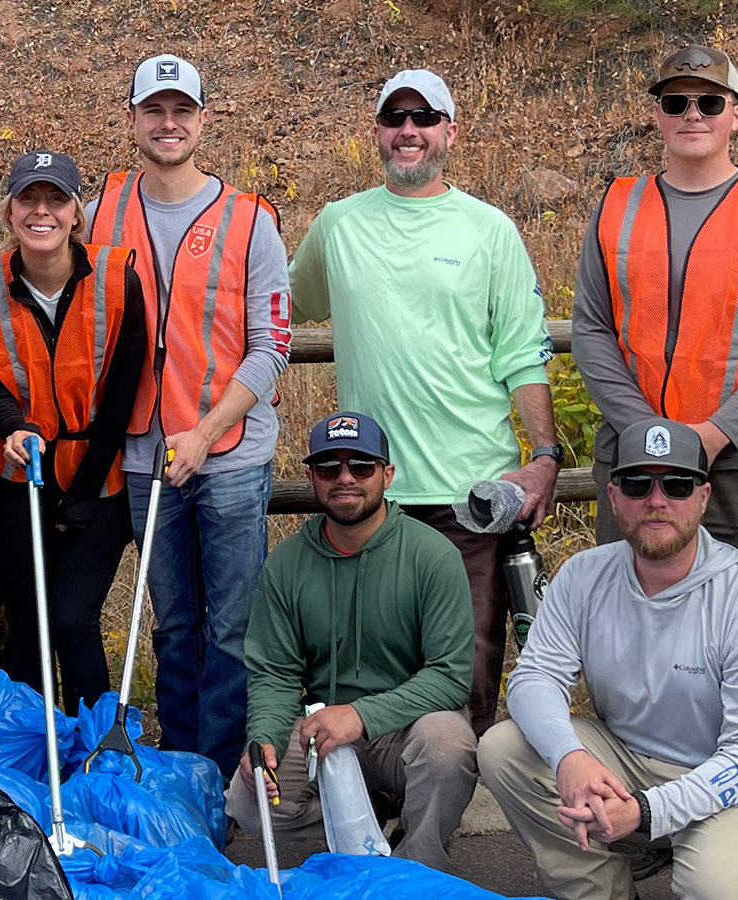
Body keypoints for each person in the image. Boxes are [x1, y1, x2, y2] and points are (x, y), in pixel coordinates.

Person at [287, 68, 559, 736]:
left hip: (471, 496)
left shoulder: (490, 231)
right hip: (368, 494)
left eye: (425, 118)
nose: (409, 131)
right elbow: (284, 305)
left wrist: (547, 454)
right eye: (395, 118)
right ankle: (379, 822)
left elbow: (521, 352)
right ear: (377, 133)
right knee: (367, 672)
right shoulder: (337, 228)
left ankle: (435, 833)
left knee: (462, 677)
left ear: (450, 132)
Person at [86, 54, 292, 778]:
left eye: (182, 110)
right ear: (133, 118)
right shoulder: (99, 215)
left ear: (203, 119)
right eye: (154, 110)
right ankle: (179, 771)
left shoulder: (249, 219)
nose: (168, 123)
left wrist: (205, 432)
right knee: (172, 626)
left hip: (228, 455)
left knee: (232, 628)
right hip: (147, 457)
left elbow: (272, 347)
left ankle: (227, 773)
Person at [480, 417, 738, 900]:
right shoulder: (584, 575)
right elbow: (534, 676)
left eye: (678, 484)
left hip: (731, 781)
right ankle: (602, 891)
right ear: (613, 495)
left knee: (718, 887)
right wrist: (570, 756)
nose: (657, 500)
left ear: (704, 497)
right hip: (626, 760)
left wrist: (646, 811)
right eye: (638, 483)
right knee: (503, 749)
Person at [572, 45, 738, 595]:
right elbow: (592, 330)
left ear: (737, 114)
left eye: (711, 102)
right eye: (676, 101)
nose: (693, 113)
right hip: (633, 461)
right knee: (626, 622)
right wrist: (647, 435)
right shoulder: (617, 204)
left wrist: (712, 437)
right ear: (658, 115)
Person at [237, 411, 477, 871]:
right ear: (311, 477)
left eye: (361, 466)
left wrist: (361, 715)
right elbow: (274, 671)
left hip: (408, 726)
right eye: (329, 467)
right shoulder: (286, 564)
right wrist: (263, 738)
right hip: (321, 730)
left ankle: (417, 867)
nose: (345, 478)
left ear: (386, 474)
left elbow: (451, 676)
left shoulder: (433, 556)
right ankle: (362, 818)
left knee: (448, 748)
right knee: (250, 802)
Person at [0, 150, 145, 713]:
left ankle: (98, 755)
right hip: (20, 474)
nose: (42, 211)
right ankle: (37, 761)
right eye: (28, 199)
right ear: (10, 211)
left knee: (71, 617)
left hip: (100, 477)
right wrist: (13, 428)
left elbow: (123, 390)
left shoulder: (119, 281)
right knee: (29, 621)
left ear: (76, 213)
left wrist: (87, 489)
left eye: (56, 199)